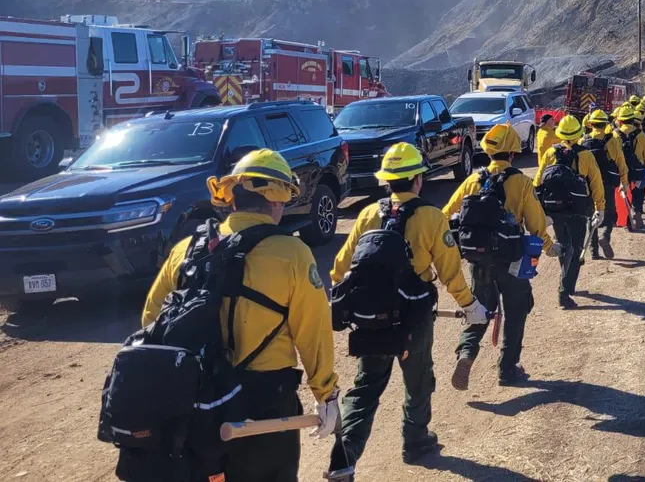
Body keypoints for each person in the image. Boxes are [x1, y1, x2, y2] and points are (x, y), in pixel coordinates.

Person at [141, 149, 340, 482]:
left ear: (231, 197)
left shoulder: (186, 250)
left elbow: (150, 320)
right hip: (265, 402)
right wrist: (326, 395)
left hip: (194, 401)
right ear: (277, 199)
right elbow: (314, 331)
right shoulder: (292, 253)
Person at [328, 142, 488, 475]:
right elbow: (449, 271)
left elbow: (340, 269)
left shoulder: (369, 214)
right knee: (418, 381)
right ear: (418, 179)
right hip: (413, 319)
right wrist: (469, 305)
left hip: (371, 319)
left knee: (366, 386)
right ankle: (415, 440)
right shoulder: (431, 216)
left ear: (387, 181)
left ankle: (344, 455)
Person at [443, 124, 558, 390]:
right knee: (518, 310)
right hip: (512, 260)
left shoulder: (473, 180)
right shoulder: (520, 182)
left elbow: (447, 214)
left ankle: (467, 353)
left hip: (479, 261)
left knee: (479, 310)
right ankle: (507, 369)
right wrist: (548, 246)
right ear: (513, 154)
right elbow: (536, 223)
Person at [533, 114, 605, 309]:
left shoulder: (550, 153)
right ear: (579, 133)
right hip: (579, 209)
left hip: (556, 209)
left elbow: (538, 181)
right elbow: (596, 183)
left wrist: (540, 209)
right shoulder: (586, 155)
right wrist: (600, 208)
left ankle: (566, 280)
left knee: (564, 246)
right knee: (576, 247)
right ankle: (565, 290)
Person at [581, 109, 629, 260]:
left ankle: (593, 251)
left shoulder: (584, 140)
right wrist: (624, 182)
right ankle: (605, 236)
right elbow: (621, 163)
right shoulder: (612, 140)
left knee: (591, 216)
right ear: (605, 124)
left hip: (589, 184)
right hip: (607, 183)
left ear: (591, 123)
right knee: (609, 214)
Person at [613, 105, 645, 231]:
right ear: (633, 120)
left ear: (619, 120)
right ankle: (637, 212)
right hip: (638, 170)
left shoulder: (614, 135)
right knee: (638, 193)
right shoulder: (640, 135)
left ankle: (623, 219)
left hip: (620, 171)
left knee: (622, 195)